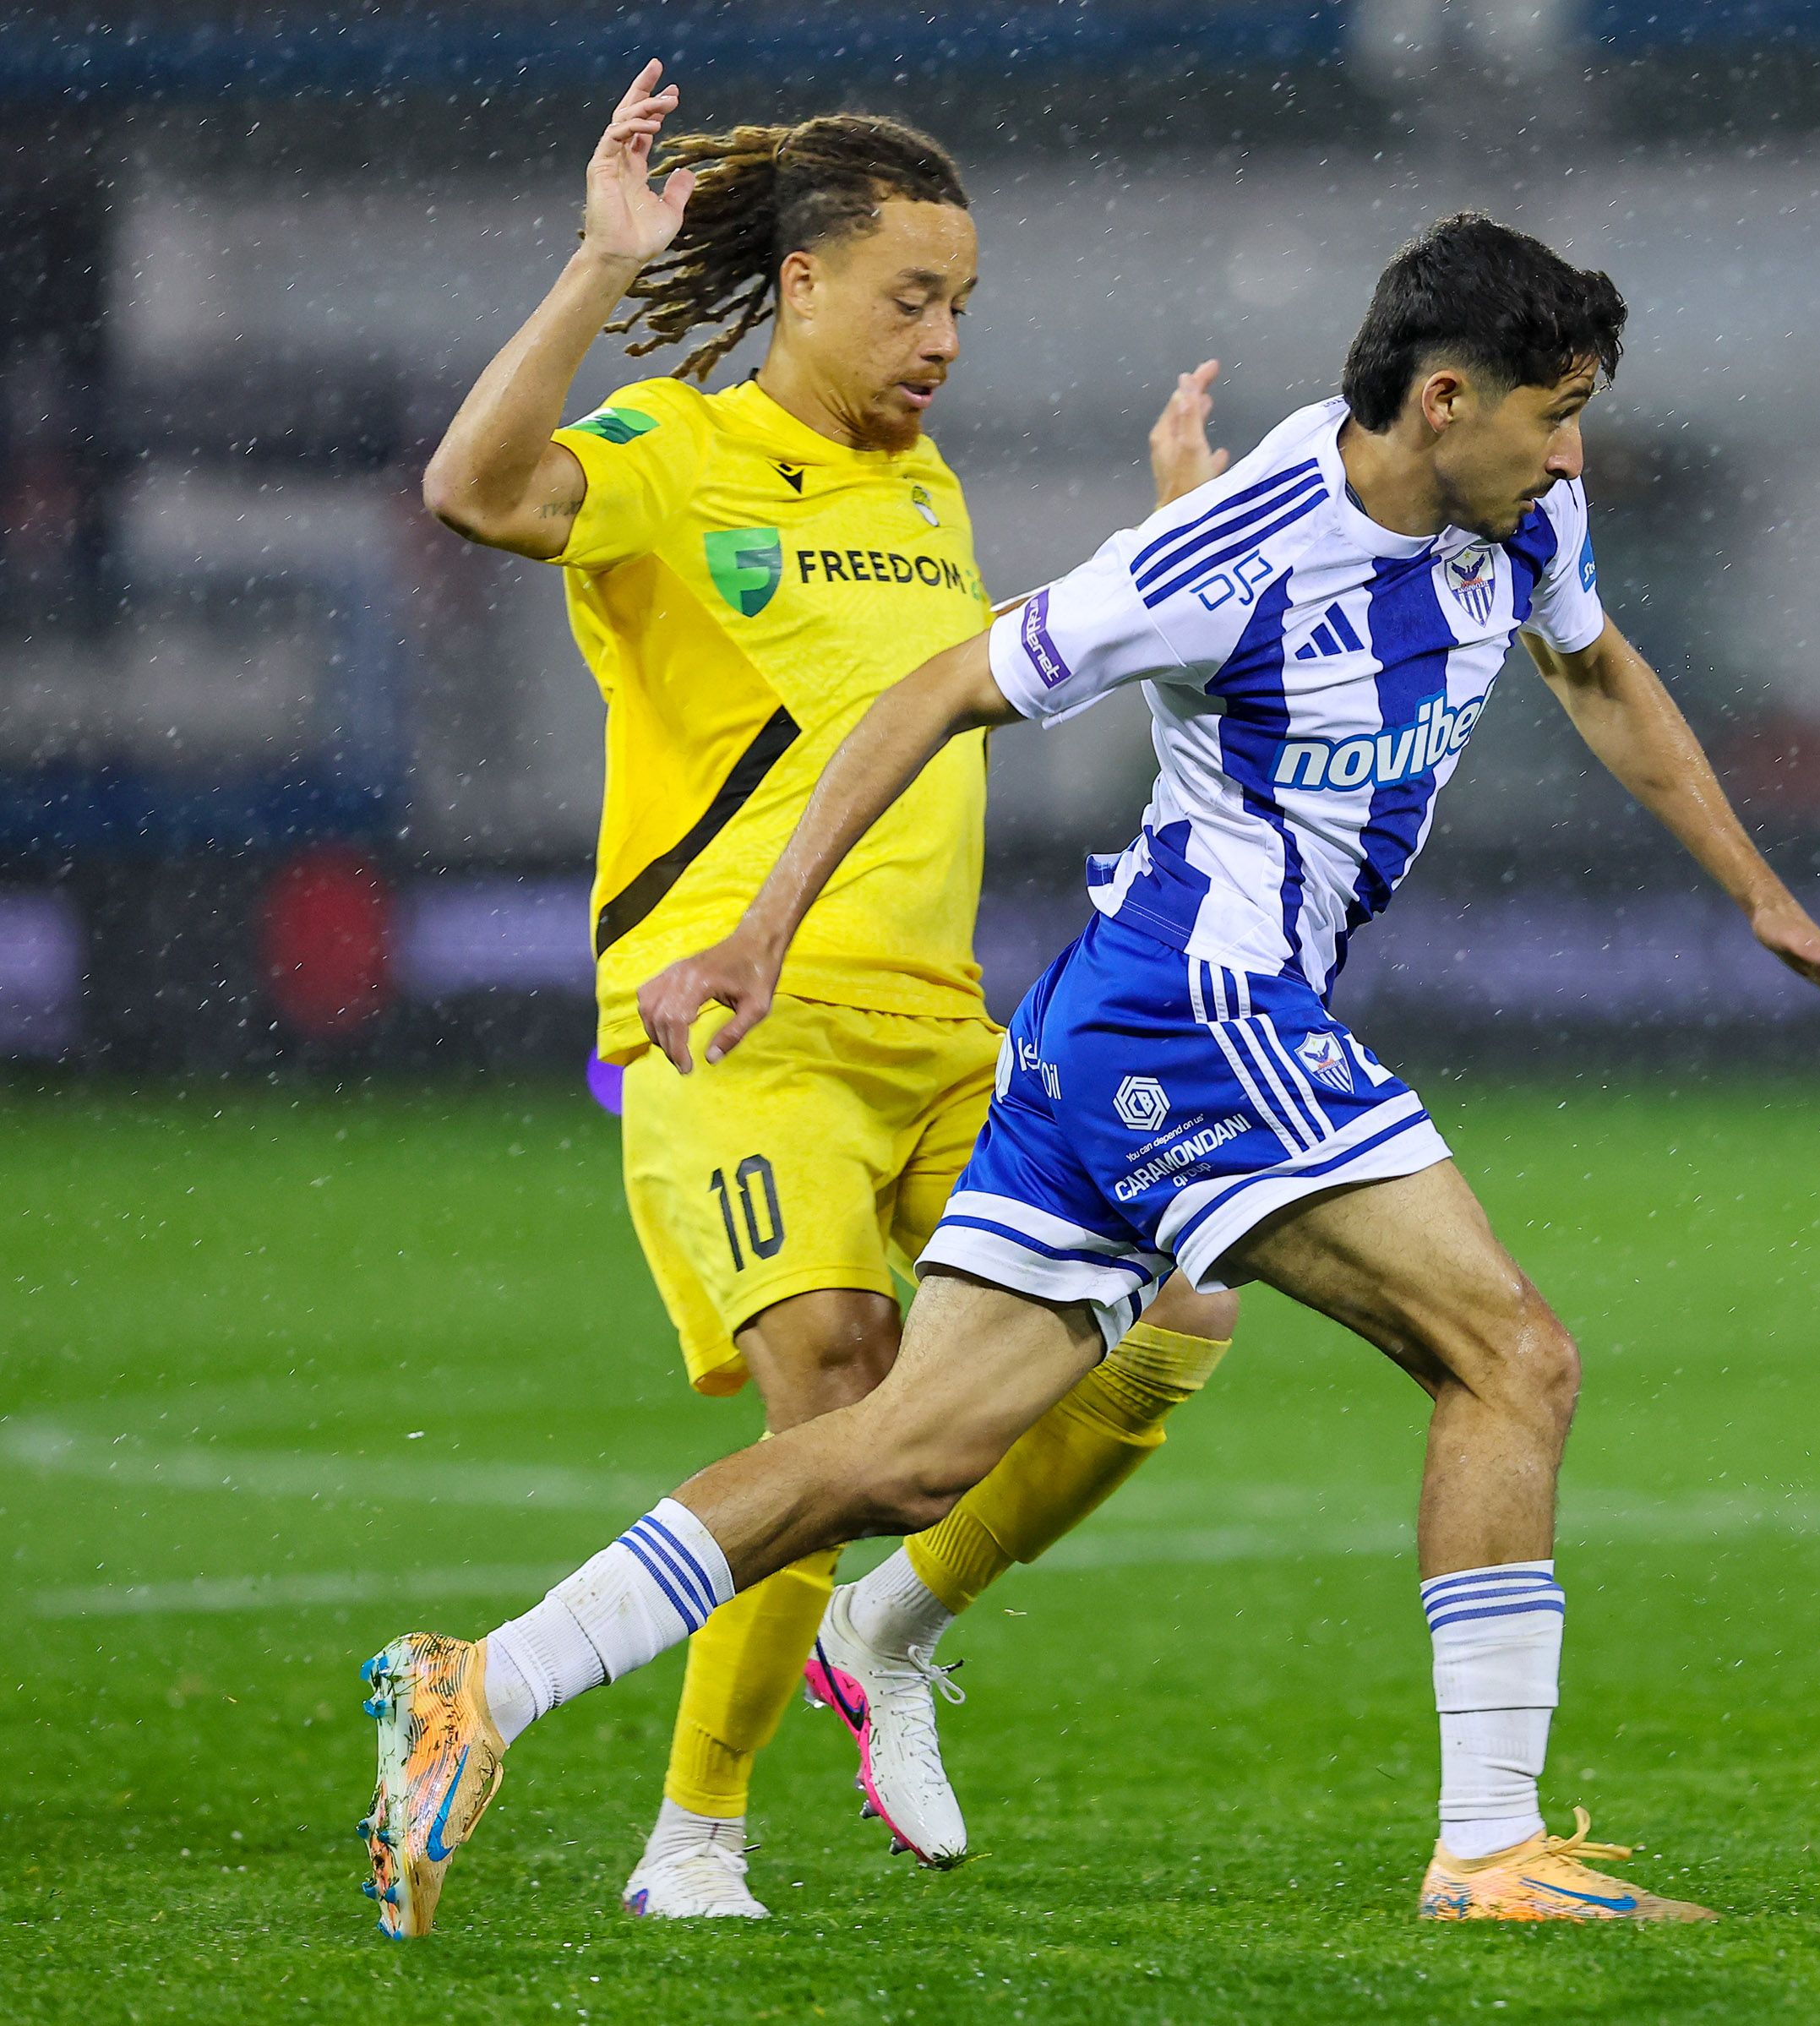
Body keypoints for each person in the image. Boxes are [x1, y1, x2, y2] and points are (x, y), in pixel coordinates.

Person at [362, 206, 1820, 1935]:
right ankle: (1488, 1842)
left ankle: (479, 1678)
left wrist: (1766, 899)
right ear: (1445, 398)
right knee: (1511, 1354)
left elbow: (1596, 667)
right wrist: (766, 928)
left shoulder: (1520, 517)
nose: (1574, 446)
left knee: (902, 1457)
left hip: (1114, 1034)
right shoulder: (1226, 553)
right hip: (1195, 1010)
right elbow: (939, 686)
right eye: (1556, 408)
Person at [408, 63, 1246, 1925]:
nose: (943, 337)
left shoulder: (923, 489)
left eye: (960, 304)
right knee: (840, 1401)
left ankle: (891, 1630)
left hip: (945, 1033)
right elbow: (468, 489)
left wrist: (1180, 542)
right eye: (909, 298)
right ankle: (690, 1839)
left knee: (1183, 1296)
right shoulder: (670, 451)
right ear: (799, 287)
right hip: (735, 1026)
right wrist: (591, 265)